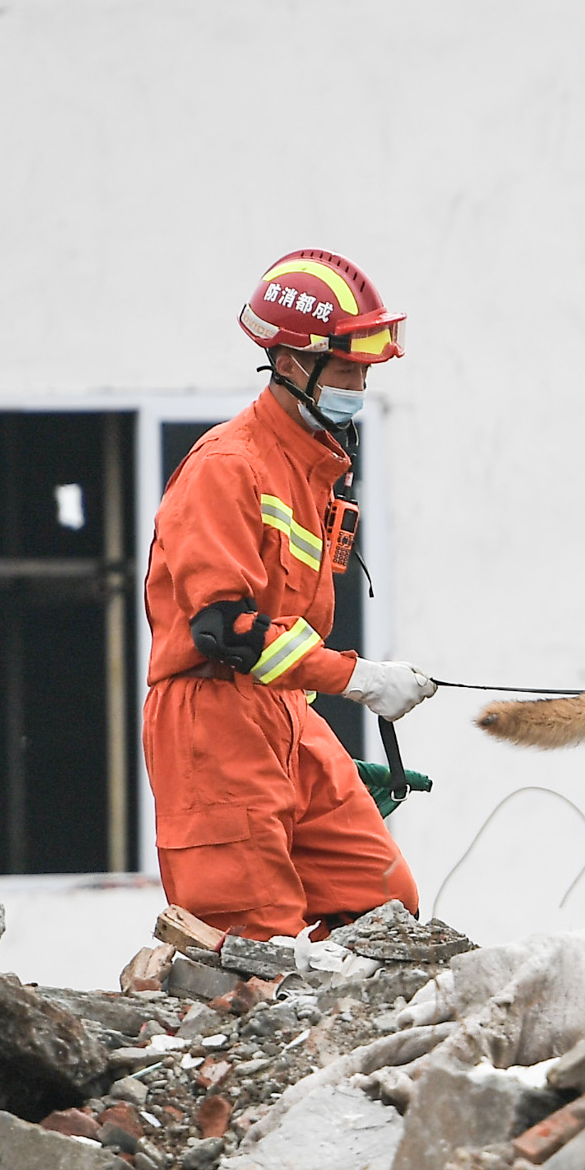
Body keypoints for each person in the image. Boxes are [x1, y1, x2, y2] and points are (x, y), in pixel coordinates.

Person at [140, 249, 437, 939]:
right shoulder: (228, 467)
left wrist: (312, 721)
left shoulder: (306, 464)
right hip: (212, 720)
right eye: (346, 368)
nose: (359, 384)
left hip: (284, 713)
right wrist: (358, 679)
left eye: (365, 369)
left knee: (382, 907)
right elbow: (226, 632)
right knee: (252, 940)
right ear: (291, 363)